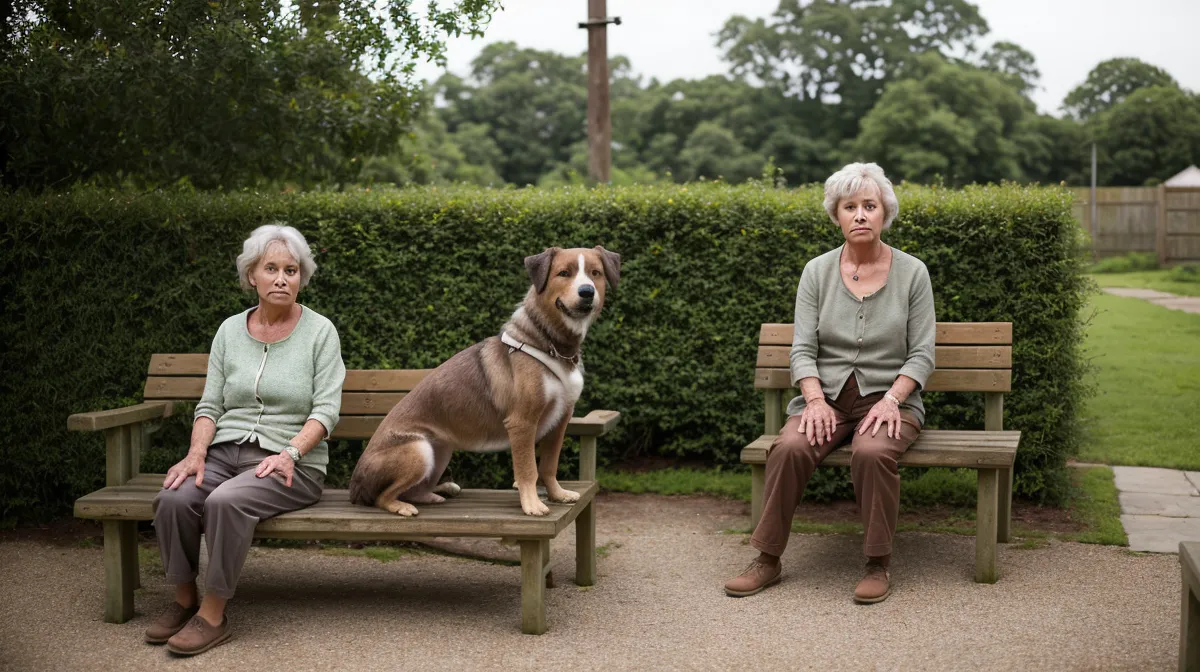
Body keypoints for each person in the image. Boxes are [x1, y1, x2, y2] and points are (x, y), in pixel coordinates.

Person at [724, 162, 935, 604]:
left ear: (885, 214)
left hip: (888, 401)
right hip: (826, 399)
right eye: (850, 206)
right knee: (790, 447)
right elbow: (802, 349)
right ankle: (767, 558)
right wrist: (815, 401)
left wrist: (893, 400)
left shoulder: (913, 273)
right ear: (836, 215)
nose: (860, 215)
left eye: (869, 206)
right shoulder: (816, 272)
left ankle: (878, 563)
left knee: (873, 451)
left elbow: (921, 355)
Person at [146, 224, 345, 655]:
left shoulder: (320, 332)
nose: (281, 278)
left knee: (225, 501)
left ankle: (213, 615)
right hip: (224, 453)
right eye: (270, 268)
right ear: (251, 275)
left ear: (301, 277)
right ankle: (184, 601)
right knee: (174, 497)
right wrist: (196, 453)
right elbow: (209, 405)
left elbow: (326, 411)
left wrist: (291, 452)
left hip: (293, 463)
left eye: (291, 270)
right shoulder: (229, 331)